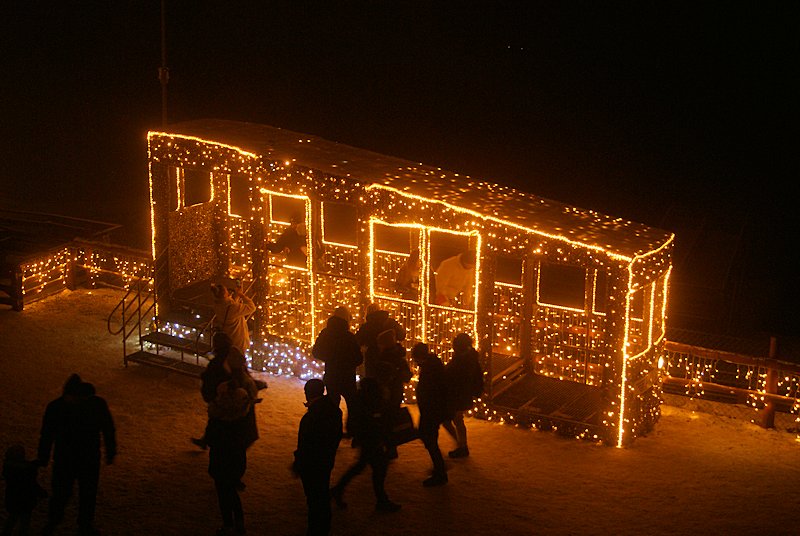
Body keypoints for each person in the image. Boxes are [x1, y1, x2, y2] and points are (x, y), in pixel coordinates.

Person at [38, 374, 116, 536]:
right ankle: (82, 524)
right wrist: (110, 450)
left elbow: (47, 434)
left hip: (66, 457)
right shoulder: (96, 404)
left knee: (63, 491)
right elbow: (107, 428)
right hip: (87, 457)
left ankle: (54, 521)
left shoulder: (56, 407)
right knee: (84, 492)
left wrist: (43, 457)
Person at [206, 348, 259, 536]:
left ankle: (229, 524)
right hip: (236, 457)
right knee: (231, 490)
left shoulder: (219, 418)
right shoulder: (241, 416)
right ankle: (239, 523)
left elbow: (212, 435)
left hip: (221, 457)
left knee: (224, 491)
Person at [330, 378, 401, 513]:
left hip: (367, 437)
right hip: (370, 438)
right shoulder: (370, 399)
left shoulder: (361, 398)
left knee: (363, 466)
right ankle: (381, 501)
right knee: (378, 467)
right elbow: (372, 418)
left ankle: (338, 490)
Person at [292, 379, 343, 536]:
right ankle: (324, 526)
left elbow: (306, 444)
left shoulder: (311, 418)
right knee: (321, 494)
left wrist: (298, 462)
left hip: (312, 463)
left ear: (308, 393)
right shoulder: (334, 410)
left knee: (314, 498)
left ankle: (315, 529)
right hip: (326, 460)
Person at [311, 306, 363, 437]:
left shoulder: (326, 333)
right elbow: (358, 358)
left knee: (333, 405)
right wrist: (347, 362)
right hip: (347, 376)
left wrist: (331, 358)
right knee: (353, 404)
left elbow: (316, 351)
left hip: (332, 374)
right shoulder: (349, 336)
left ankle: (333, 430)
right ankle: (353, 431)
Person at [411, 343, 451, 487]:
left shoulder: (430, 369)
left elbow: (431, 391)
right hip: (431, 410)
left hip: (431, 410)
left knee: (429, 438)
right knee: (428, 437)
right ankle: (439, 467)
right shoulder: (432, 365)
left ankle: (440, 470)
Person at [443, 333, 484, 459]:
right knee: (457, 420)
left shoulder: (461, 361)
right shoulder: (471, 359)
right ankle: (461, 445)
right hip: (463, 394)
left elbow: (452, 374)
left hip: (456, 394)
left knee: (449, 419)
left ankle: (461, 446)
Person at [192, 331, 234, 450]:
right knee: (215, 419)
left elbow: (213, 376)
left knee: (217, 419)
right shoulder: (230, 355)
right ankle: (206, 440)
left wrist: (205, 377)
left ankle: (210, 441)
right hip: (222, 393)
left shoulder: (219, 360)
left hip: (220, 394)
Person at [2, 444, 47, 536]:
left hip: (13, 499)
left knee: (12, 519)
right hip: (26, 501)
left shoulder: (9, 468)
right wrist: (41, 493)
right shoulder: (26, 471)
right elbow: (31, 483)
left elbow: (22, 469)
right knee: (24, 522)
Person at [355, 303, 406, 379]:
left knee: (374, 383)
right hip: (391, 357)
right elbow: (402, 335)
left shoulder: (367, 326)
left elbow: (357, 341)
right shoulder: (391, 322)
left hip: (373, 359)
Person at [211, 283, 256, 355]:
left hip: (228, 338)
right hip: (238, 339)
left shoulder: (217, 304)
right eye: (227, 291)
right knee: (238, 359)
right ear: (225, 294)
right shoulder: (232, 307)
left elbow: (231, 306)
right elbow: (252, 307)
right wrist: (241, 295)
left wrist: (236, 296)